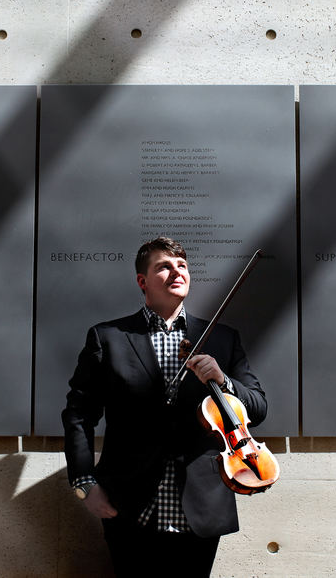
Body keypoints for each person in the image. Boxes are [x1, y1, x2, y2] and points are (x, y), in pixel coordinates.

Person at [62, 236, 267, 577]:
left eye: (182, 266)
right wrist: (85, 482)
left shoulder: (222, 338)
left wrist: (224, 382)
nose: (177, 272)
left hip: (204, 504)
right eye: (164, 267)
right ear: (143, 281)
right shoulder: (108, 337)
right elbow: (79, 414)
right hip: (127, 503)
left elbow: (258, 408)